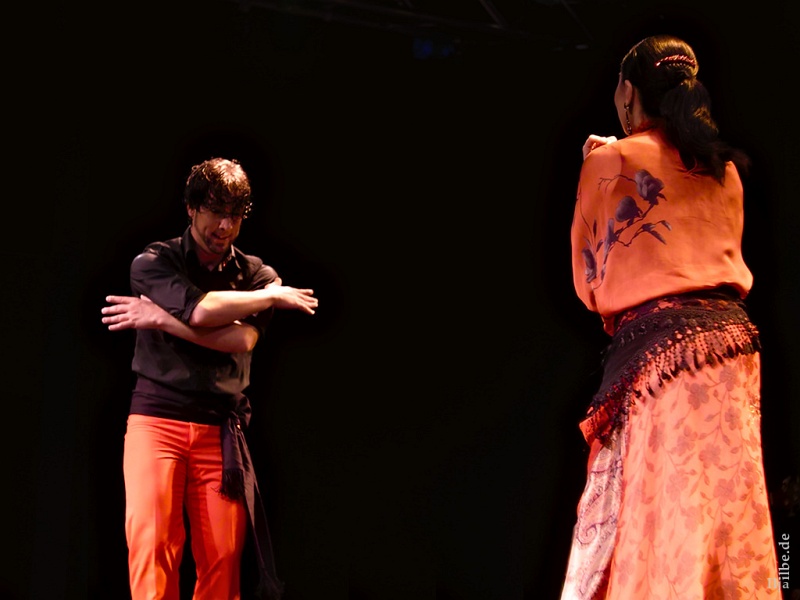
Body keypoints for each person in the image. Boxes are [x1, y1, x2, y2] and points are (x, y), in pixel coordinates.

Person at [560, 35, 780, 599]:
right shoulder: (724, 169)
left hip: (665, 360)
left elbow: (590, 283)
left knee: (661, 514)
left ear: (628, 92)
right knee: (721, 512)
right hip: (733, 352)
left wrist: (600, 166)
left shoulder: (609, 161)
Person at [101, 157, 318, 600]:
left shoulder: (257, 275)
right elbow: (201, 312)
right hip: (157, 422)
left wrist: (162, 319)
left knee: (223, 556)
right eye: (215, 212)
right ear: (191, 207)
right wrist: (266, 299)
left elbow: (241, 340)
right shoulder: (154, 262)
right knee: (153, 546)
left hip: (219, 429)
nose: (224, 226)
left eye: (234, 216)